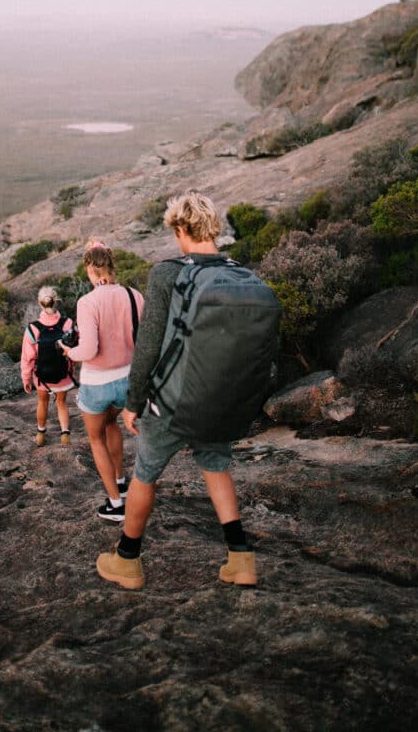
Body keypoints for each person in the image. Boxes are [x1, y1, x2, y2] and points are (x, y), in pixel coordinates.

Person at [96, 191, 257, 591]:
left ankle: (127, 560)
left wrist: (133, 402)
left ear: (181, 228)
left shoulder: (168, 273)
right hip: (218, 398)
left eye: (176, 232)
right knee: (216, 466)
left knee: (144, 475)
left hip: (170, 403)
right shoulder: (239, 272)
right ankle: (241, 560)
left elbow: (148, 344)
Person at [61, 241, 144, 521]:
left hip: (97, 384)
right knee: (112, 423)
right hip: (128, 380)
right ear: (111, 266)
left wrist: (68, 351)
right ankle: (121, 481)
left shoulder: (87, 302)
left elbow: (88, 350)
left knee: (96, 439)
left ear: (91, 270)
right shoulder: (134, 296)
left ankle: (116, 505)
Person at [21, 285, 75, 447]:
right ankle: (65, 435)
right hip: (63, 374)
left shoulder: (33, 328)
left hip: (42, 376)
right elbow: (74, 347)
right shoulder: (68, 323)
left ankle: (41, 434)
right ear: (56, 300)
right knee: (62, 403)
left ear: (40, 303)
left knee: (42, 402)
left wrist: (26, 378)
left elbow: (28, 357)